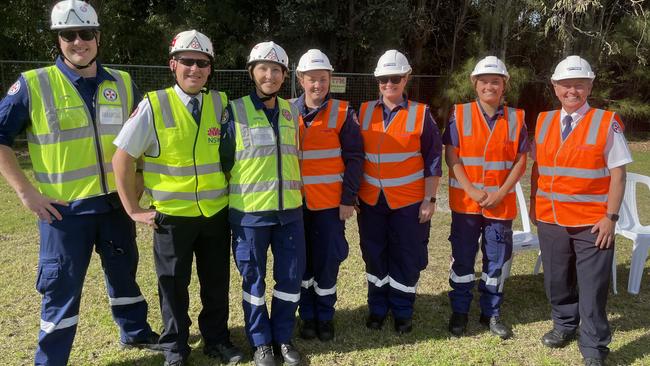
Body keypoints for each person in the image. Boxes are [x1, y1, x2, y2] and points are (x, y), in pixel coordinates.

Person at [0, 1, 160, 364]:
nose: (78, 42)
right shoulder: (33, 84)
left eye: (85, 33)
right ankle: (51, 359)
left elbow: (146, 138)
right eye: (68, 35)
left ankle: (135, 334)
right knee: (61, 290)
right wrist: (26, 192)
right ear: (59, 40)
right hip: (64, 213)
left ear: (98, 37)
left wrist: (137, 184)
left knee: (124, 275)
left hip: (116, 207)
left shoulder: (122, 82)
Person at [112, 30, 243, 366]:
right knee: (172, 285)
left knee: (215, 283)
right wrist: (133, 209)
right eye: (187, 61)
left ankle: (216, 339)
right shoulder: (154, 105)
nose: (195, 69)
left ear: (210, 69)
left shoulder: (221, 103)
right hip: (171, 217)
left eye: (202, 63)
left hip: (215, 213)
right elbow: (123, 157)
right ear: (173, 64)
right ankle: (175, 346)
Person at [530, 55, 631, 366]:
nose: (571, 91)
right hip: (551, 218)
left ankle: (594, 347)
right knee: (556, 281)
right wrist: (535, 204)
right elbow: (539, 167)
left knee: (592, 287)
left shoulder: (606, 121)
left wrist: (610, 218)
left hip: (593, 223)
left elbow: (618, 173)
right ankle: (564, 325)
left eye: (578, 85)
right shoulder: (544, 120)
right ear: (554, 87)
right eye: (565, 85)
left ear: (589, 86)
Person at [220, 41, 305, 366]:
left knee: (290, 277)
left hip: (289, 214)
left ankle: (283, 338)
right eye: (263, 68)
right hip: (250, 215)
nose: (269, 75)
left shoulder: (290, 111)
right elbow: (224, 160)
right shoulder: (234, 110)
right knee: (253, 280)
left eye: (276, 70)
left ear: (284, 76)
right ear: (252, 72)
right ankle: (261, 344)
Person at [357, 50, 442, 334]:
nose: (389, 84)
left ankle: (403, 310)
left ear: (406, 78)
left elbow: (433, 159)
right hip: (371, 201)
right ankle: (378, 308)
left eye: (395, 78)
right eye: (383, 79)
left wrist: (430, 200)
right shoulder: (364, 111)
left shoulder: (422, 113)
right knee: (374, 254)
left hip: (408, 201)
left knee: (405, 256)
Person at [443, 56, 528, 340]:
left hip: (500, 205)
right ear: (474, 84)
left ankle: (491, 313)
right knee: (463, 260)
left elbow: (520, 160)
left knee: (496, 261)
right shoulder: (459, 114)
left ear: (505, 85)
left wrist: (500, 193)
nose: (489, 86)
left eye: (495, 81)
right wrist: (471, 189)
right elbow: (452, 154)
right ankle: (459, 312)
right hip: (467, 203)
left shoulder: (517, 118)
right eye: (484, 82)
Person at [291, 49, 363, 342]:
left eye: (322, 79)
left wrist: (348, 199)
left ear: (330, 79)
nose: (317, 85)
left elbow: (356, 158)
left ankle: (325, 317)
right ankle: (307, 317)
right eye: (311, 79)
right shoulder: (287, 111)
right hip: (295, 205)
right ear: (300, 79)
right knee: (301, 263)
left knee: (327, 262)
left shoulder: (344, 113)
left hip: (331, 206)